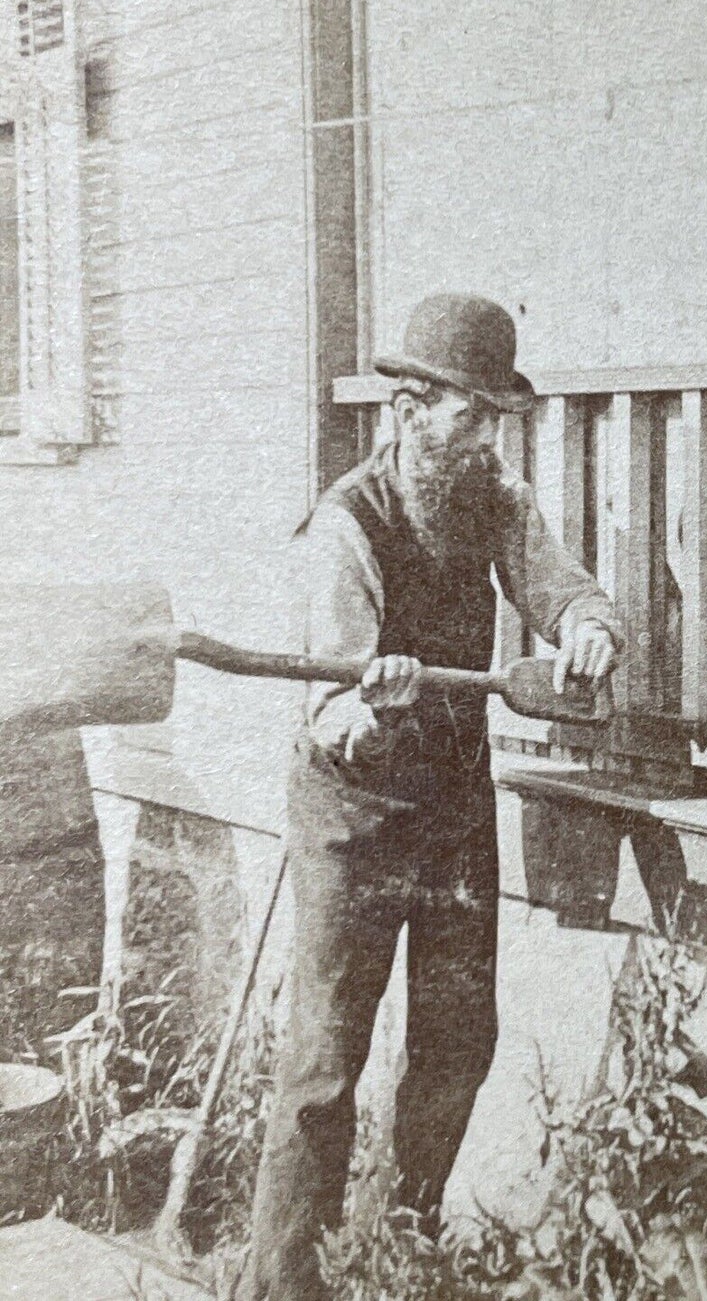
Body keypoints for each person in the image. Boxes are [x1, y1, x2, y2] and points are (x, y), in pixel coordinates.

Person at [241, 294, 622, 1301]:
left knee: (458, 1036)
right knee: (326, 1066)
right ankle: (285, 1284)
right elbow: (333, 695)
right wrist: (361, 710)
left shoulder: (495, 496)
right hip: (353, 811)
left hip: (454, 804)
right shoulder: (345, 523)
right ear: (410, 409)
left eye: (495, 415)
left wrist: (587, 622)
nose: (488, 433)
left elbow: (559, 586)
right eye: (471, 413)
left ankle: (398, 1253)